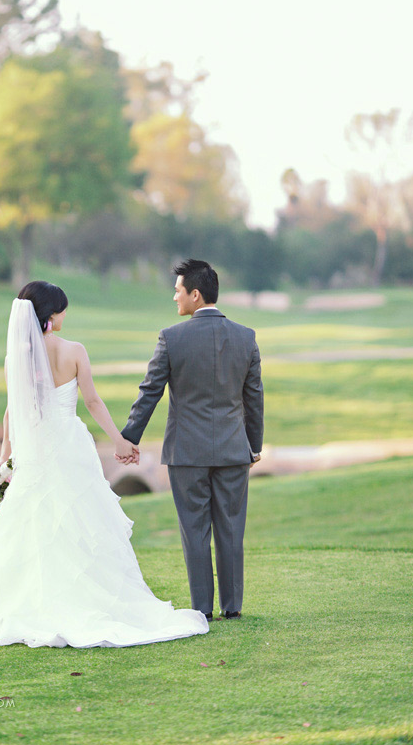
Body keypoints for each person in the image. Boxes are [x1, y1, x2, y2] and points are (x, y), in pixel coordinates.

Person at [0, 280, 209, 648]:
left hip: (34, 450)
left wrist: (4, 458)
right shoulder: (74, 350)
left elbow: (10, 412)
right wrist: (120, 440)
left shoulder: (15, 357)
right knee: (81, 519)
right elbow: (93, 402)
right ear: (51, 314)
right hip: (67, 444)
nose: (65, 315)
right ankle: (86, 599)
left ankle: (35, 606)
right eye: (62, 309)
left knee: (38, 521)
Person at [121, 259, 264, 622]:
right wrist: (254, 444)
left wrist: (129, 438)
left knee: (195, 531)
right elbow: (254, 398)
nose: (175, 297)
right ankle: (232, 607)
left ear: (195, 295)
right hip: (234, 450)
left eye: (178, 290)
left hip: (186, 452)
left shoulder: (171, 337)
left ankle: (202, 609)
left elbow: (149, 391)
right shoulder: (246, 337)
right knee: (231, 529)